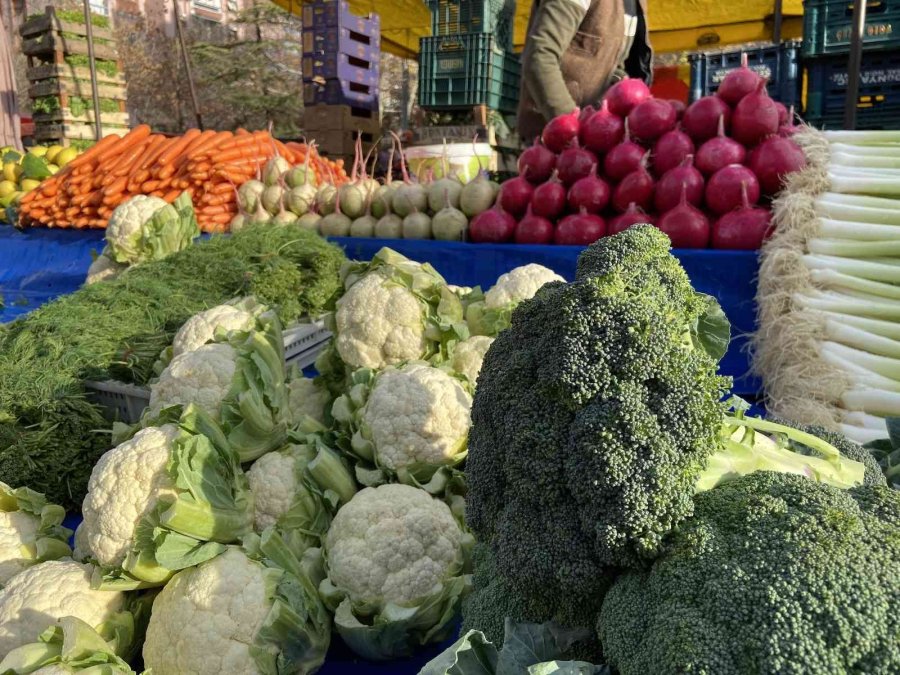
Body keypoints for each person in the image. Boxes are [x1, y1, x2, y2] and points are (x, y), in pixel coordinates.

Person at [518, 0, 653, 143]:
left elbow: (613, 62)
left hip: (596, 139)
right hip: (553, 139)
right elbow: (540, 57)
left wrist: (622, 84)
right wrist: (574, 127)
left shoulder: (633, 4)